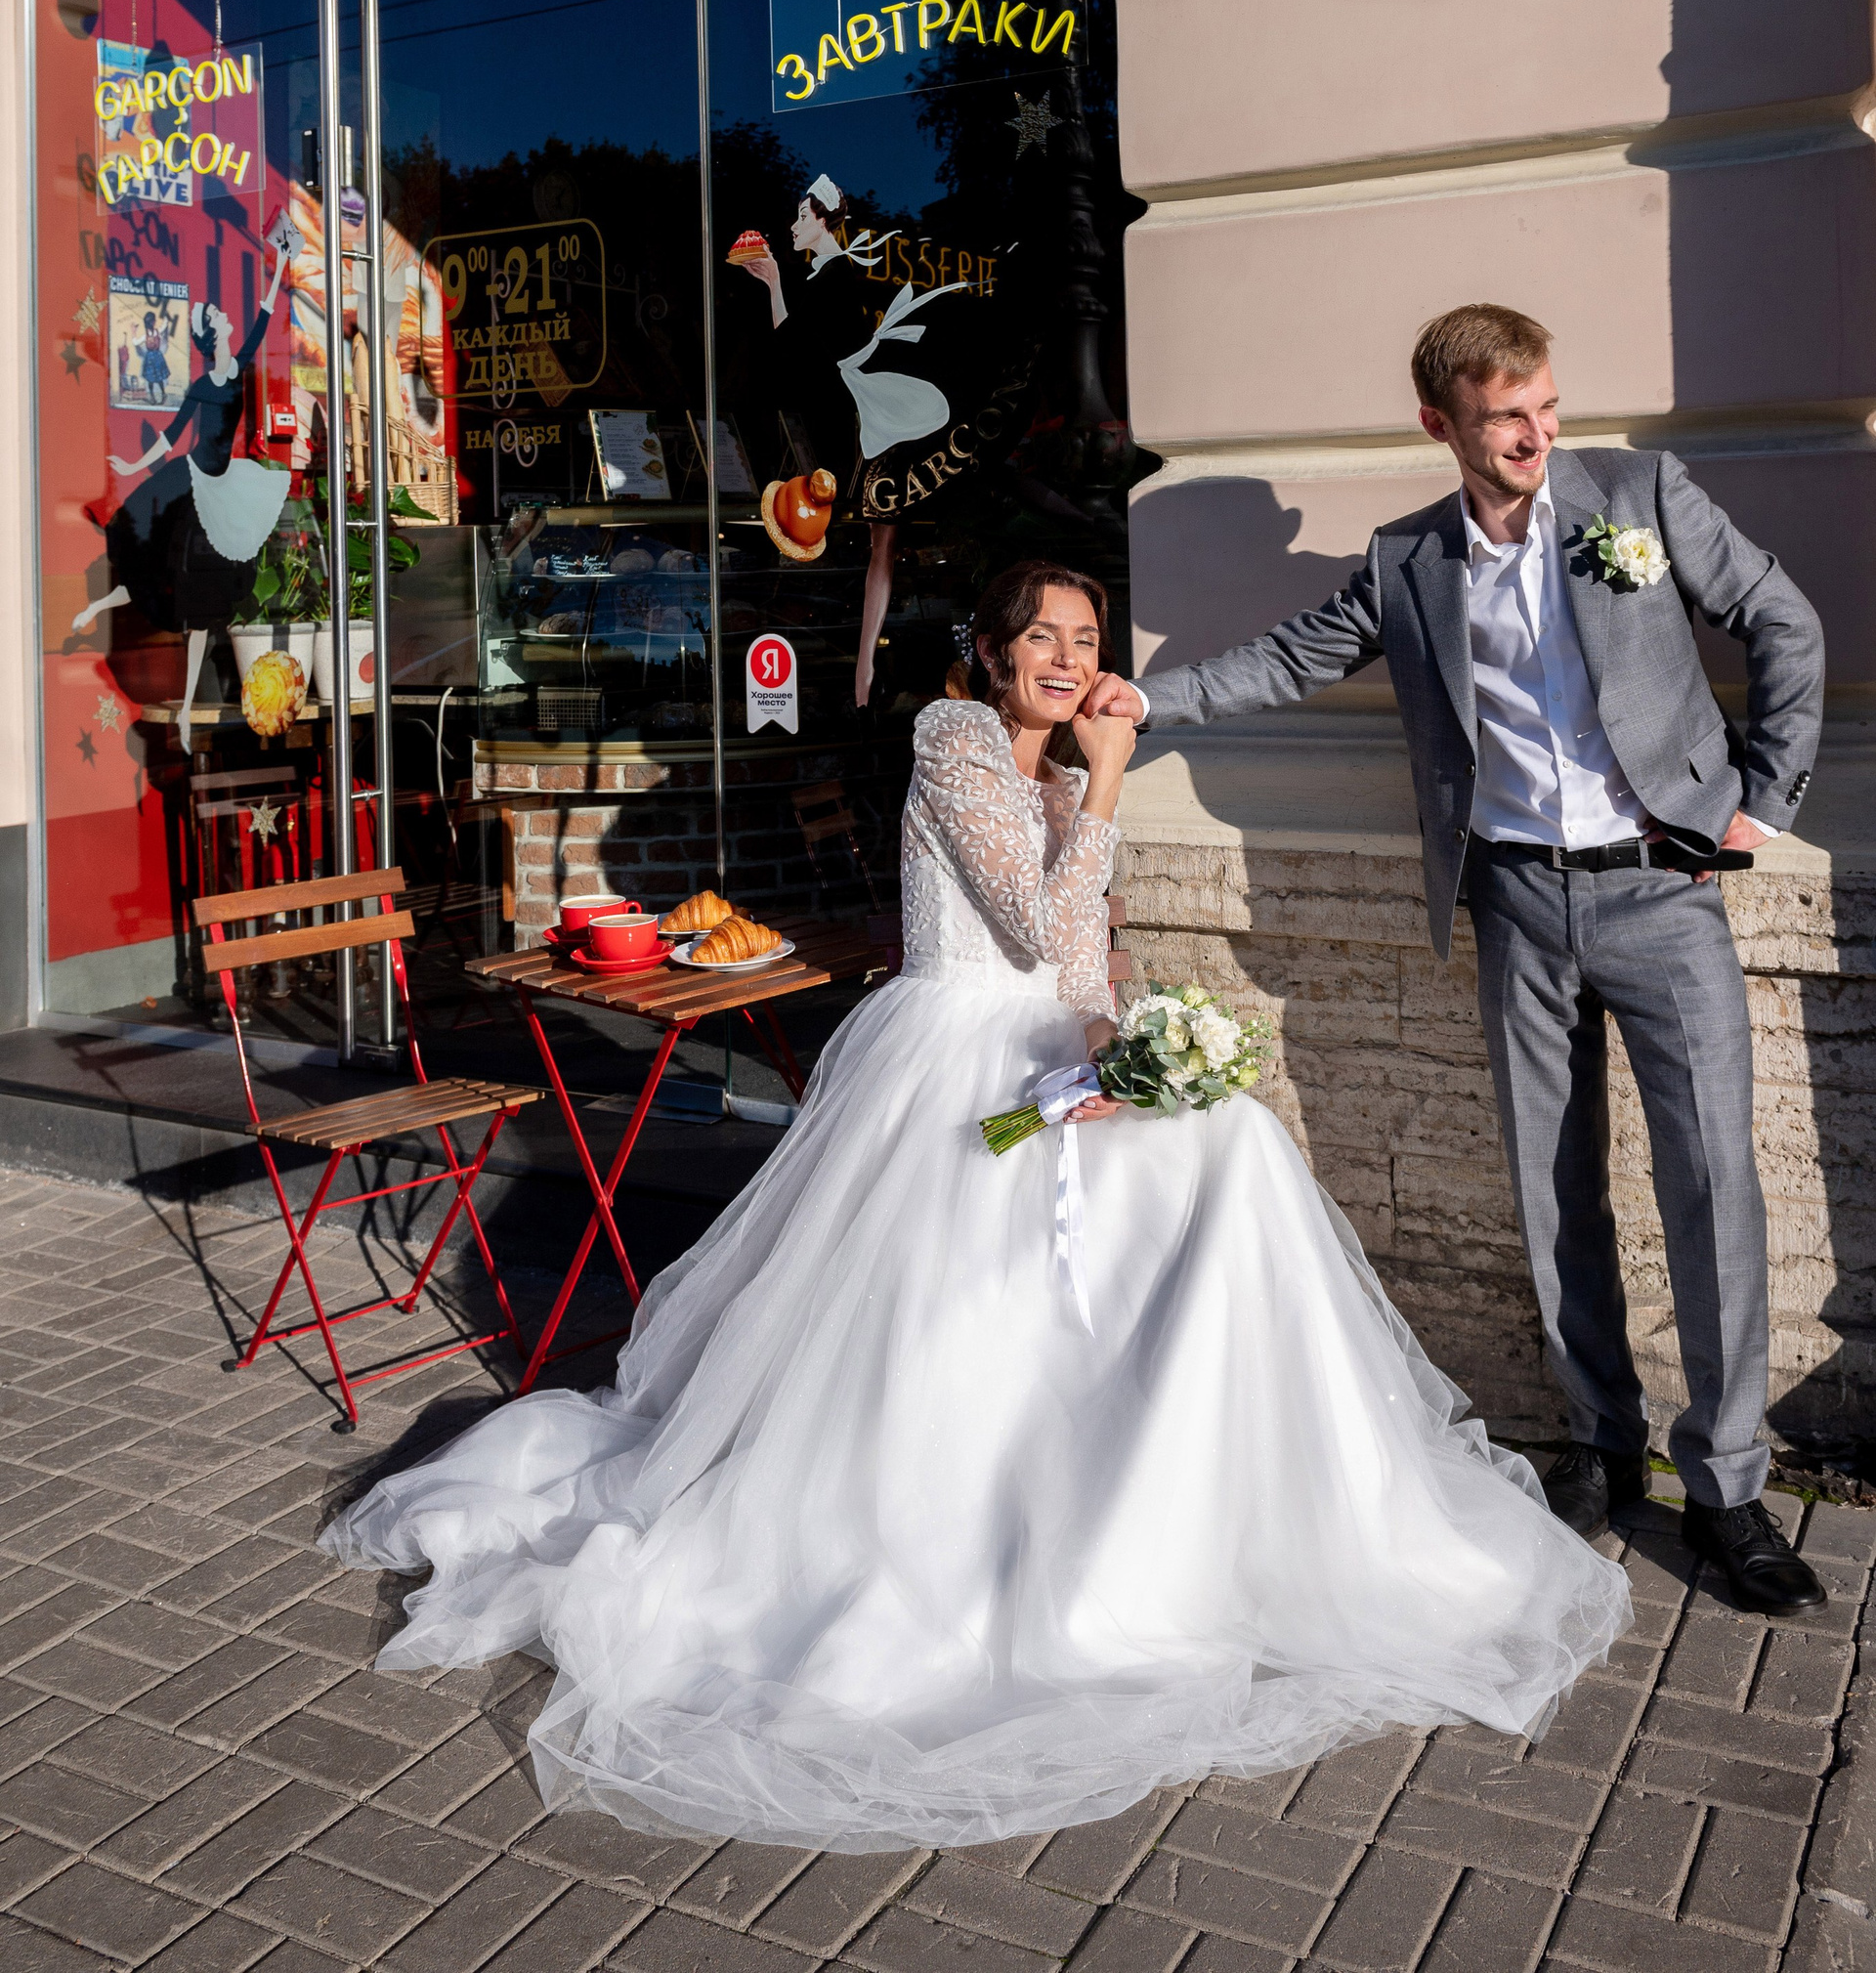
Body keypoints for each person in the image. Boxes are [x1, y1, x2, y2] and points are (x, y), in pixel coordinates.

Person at [321, 557, 1628, 1854]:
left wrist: (1123, 1055)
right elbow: (1027, 915)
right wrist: (1110, 776)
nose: (1068, 658)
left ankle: (1228, 1513)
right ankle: (972, 1535)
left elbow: (1080, 962)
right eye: (1043, 636)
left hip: (1052, 1053)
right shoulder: (951, 740)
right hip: (953, 1065)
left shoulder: (1058, 775)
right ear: (995, 653)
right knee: (975, 1306)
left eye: (1088, 638)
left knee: (1234, 1151)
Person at [1087, 303, 1827, 1616]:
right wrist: (1151, 698)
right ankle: (1604, 1447)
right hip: (1517, 900)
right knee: (1552, 1189)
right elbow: (1291, 656)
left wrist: (1762, 800)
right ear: (1442, 424)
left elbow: (1784, 621)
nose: (1537, 434)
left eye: (1545, 406)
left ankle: (1727, 1488)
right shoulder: (1409, 557)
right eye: (1505, 418)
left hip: (1662, 890)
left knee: (1714, 1181)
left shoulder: (1640, 495)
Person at [741, 174, 972, 707]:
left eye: (802, 216)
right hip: (864, 400)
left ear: (823, 221)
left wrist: (774, 281)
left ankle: (865, 671)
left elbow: (791, 348)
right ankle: (866, 669)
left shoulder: (835, 273)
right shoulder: (829, 273)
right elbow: (797, 347)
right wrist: (775, 283)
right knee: (880, 539)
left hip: (872, 399)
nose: (794, 225)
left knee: (883, 538)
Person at [73, 214, 294, 750]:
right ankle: (96, 609)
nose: (225, 316)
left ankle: (189, 713)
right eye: (217, 316)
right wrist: (132, 467)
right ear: (211, 336)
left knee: (201, 608)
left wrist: (283, 260)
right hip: (193, 482)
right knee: (156, 569)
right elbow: (172, 436)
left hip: (224, 483)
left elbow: (265, 315)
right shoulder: (201, 384)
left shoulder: (239, 368)